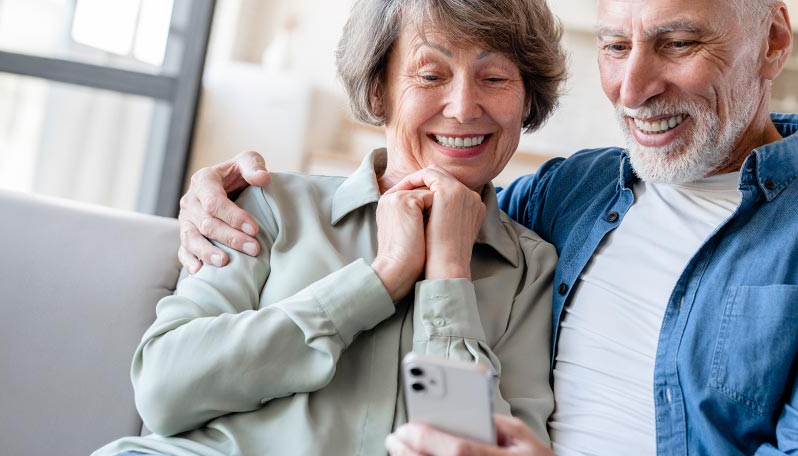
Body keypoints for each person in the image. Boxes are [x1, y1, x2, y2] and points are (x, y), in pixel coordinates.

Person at [180, 0, 798, 454]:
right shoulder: (565, 194)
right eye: (615, 46)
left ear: (773, 39)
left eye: (677, 43)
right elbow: (431, 233)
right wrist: (226, 196)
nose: (634, 88)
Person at [93, 0, 566, 454]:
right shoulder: (268, 206)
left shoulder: (532, 270)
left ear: (527, 101)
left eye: (495, 77)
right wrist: (379, 280)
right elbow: (163, 391)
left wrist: (448, 276)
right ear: (378, 91)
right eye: (430, 75)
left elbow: (484, 451)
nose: (464, 107)